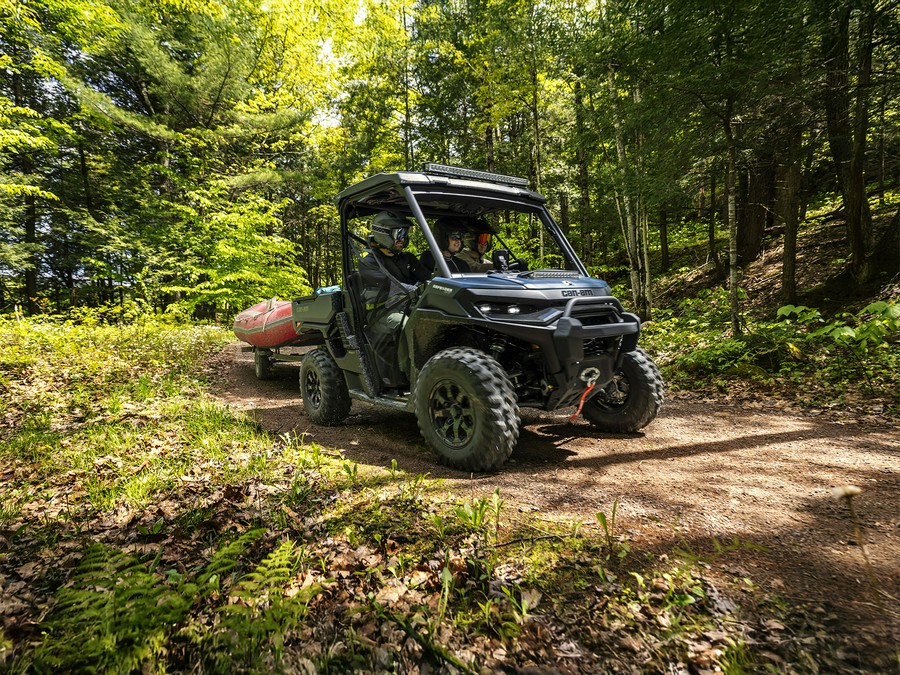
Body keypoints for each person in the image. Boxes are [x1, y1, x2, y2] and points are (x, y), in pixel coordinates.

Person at [358, 211, 428, 387]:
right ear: (383, 233)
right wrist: (417, 287)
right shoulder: (370, 262)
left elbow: (427, 278)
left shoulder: (407, 258)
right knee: (407, 326)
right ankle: (412, 377)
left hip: (410, 306)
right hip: (383, 312)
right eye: (399, 233)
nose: (402, 238)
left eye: (405, 233)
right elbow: (392, 286)